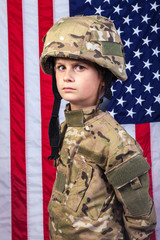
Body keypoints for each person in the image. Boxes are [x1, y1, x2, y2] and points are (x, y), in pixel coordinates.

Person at [40, 15, 156, 240]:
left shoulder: (115, 141)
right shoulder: (67, 127)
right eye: (61, 67)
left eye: (79, 67)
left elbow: (141, 219)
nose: (67, 77)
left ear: (103, 76)